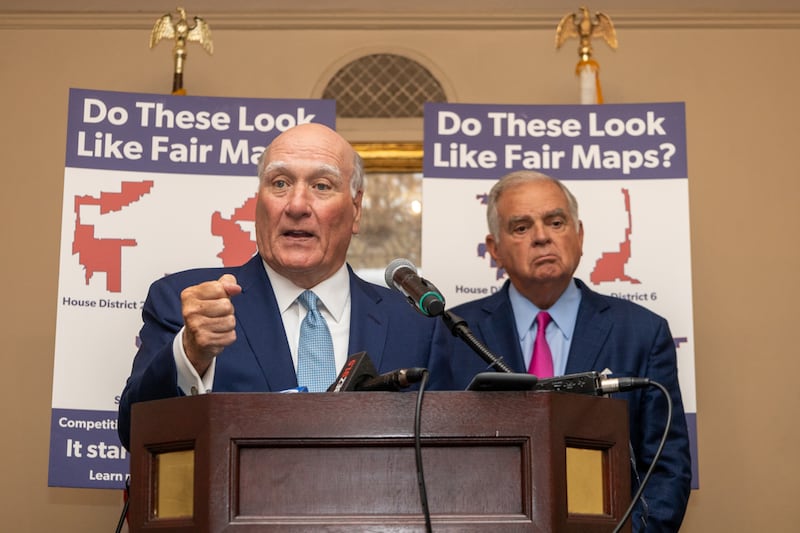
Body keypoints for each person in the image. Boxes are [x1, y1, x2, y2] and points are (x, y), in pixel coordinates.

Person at [117, 123, 442, 450]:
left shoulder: (414, 325)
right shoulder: (188, 303)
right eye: (280, 183)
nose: (297, 205)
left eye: (321, 185)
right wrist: (190, 353)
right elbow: (136, 433)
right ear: (259, 204)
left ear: (355, 210)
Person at [433, 171, 692, 531]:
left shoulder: (642, 333)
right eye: (521, 227)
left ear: (579, 235)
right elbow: (435, 462)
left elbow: (666, 467)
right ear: (494, 249)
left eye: (556, 222)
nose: (542, 237)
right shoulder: (453, 334)